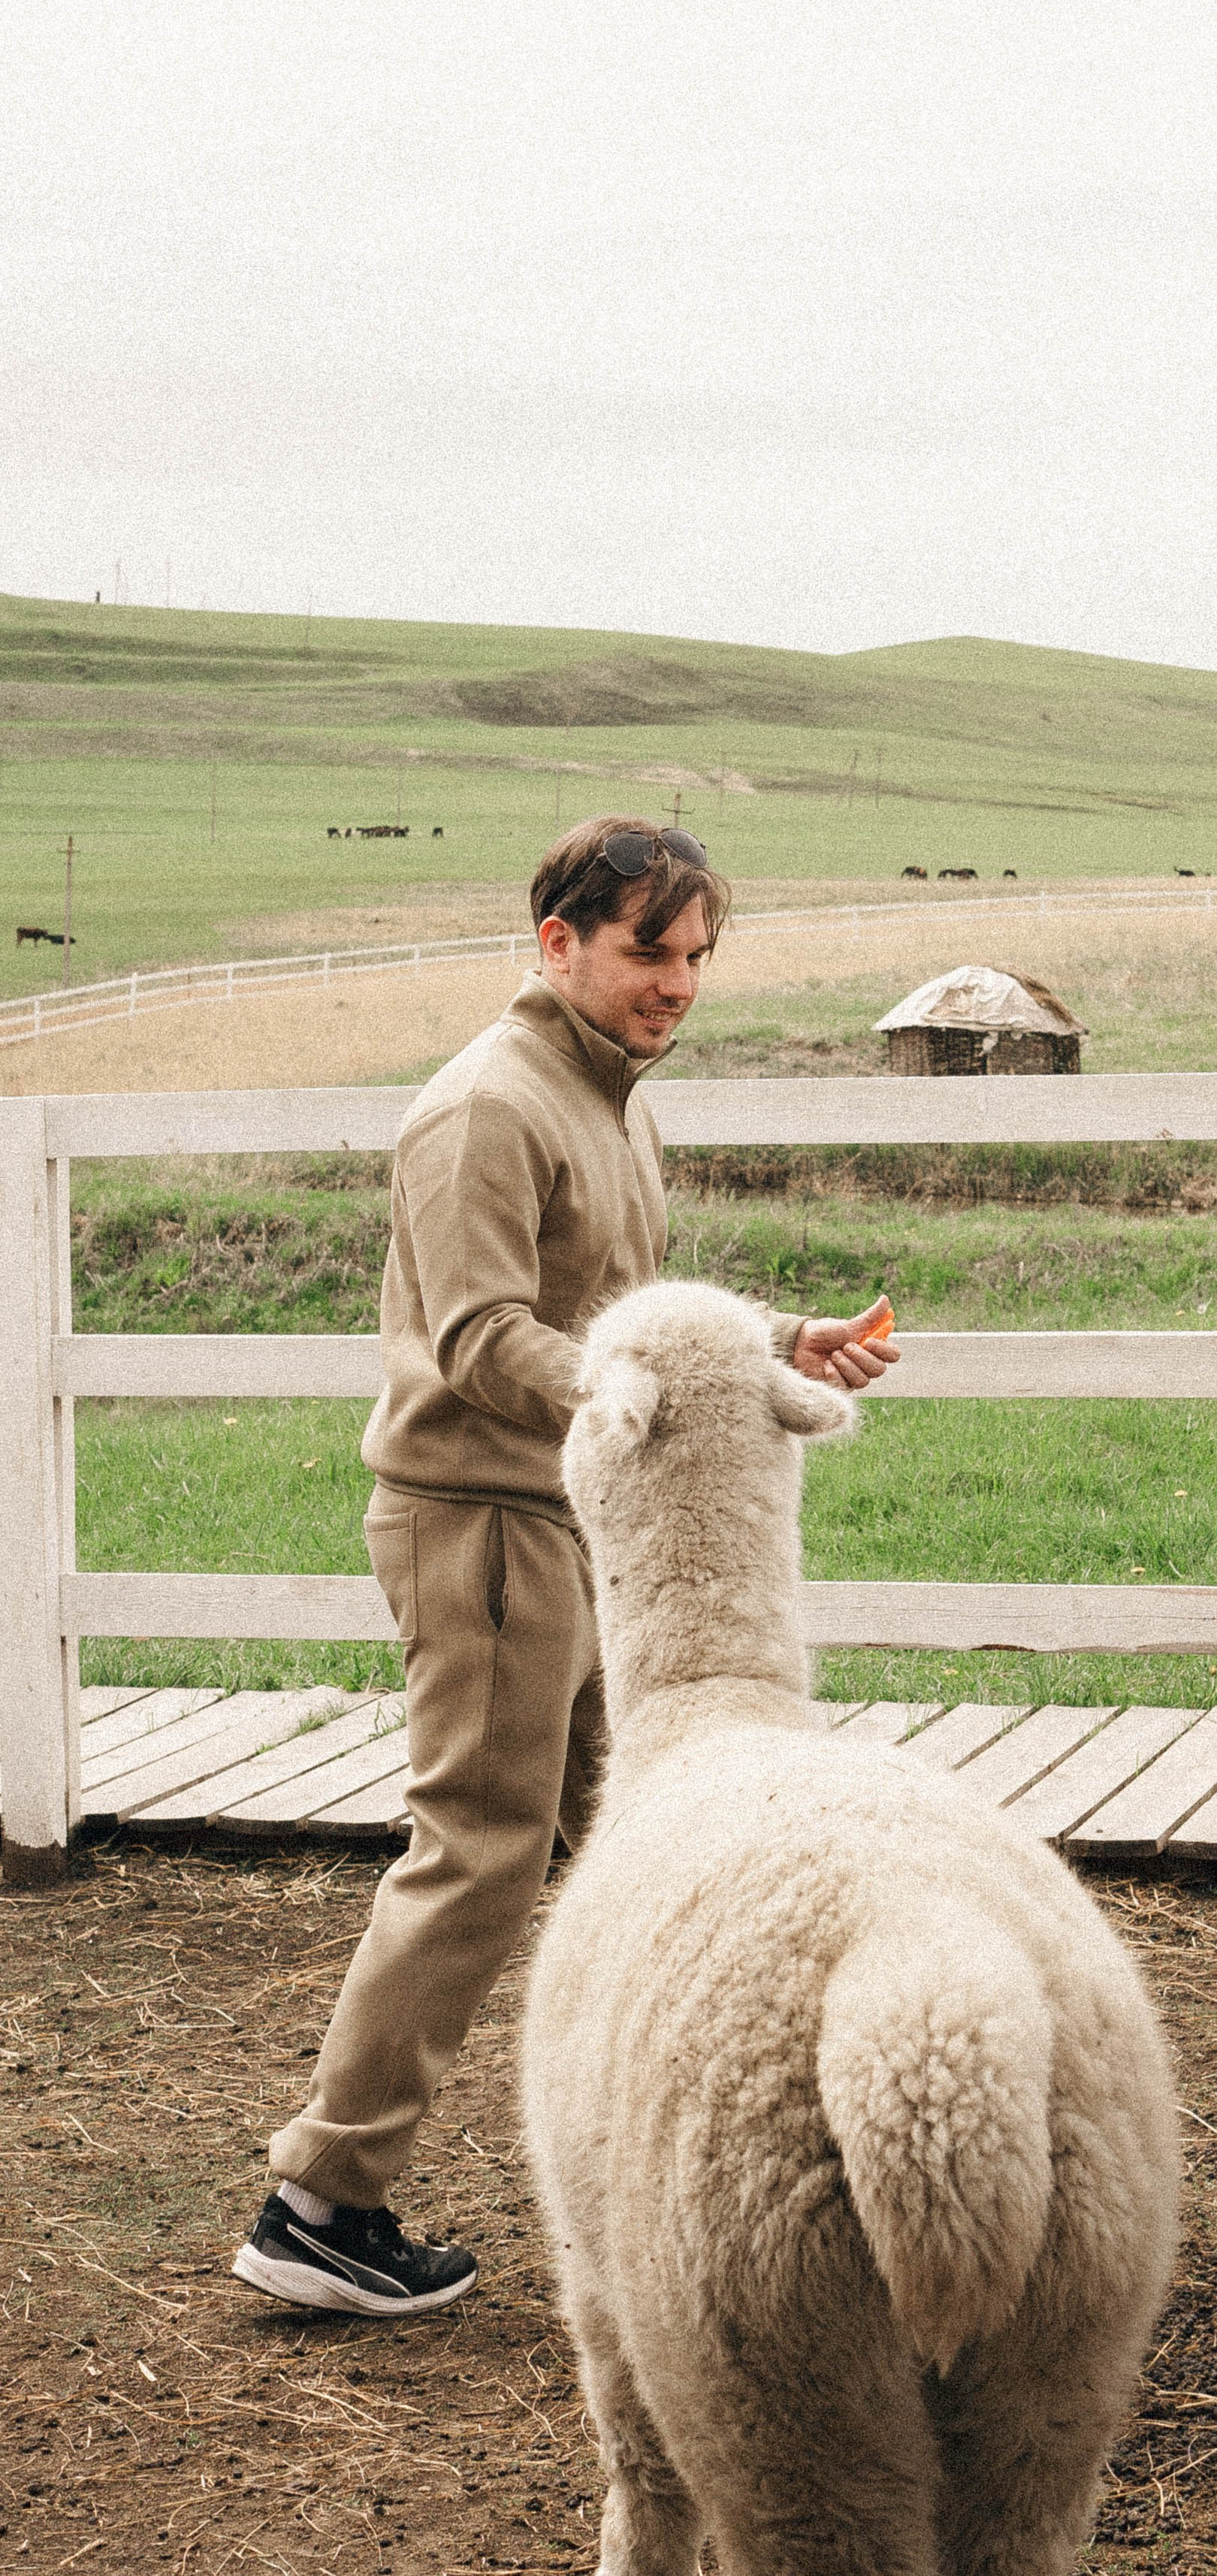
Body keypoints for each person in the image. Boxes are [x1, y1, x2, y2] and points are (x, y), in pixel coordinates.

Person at [232, 817, 899, 2316]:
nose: (677, 981)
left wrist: (773, 1346)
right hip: (482, 1523)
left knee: (634, 1836)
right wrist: (625, 1390)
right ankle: (319, 2199)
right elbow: (478, 1338)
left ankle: (675, 2159)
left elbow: (611, 1306)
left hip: (567, 1516)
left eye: (695, 954)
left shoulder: (606, 1095)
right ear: (559, 940)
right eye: (647, 949)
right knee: (481, 1843)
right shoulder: (485, 1108)